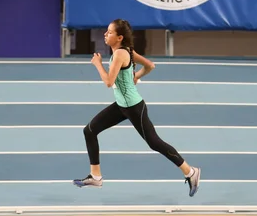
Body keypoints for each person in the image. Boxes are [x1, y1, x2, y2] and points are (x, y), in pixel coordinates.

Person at [73, 19, 201, 197]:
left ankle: (191, 172)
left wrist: (98, 64)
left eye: (109, 32)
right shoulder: (126, 51)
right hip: (121, 105)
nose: (105, 34)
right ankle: (96, 176)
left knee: (154, 142)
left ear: (119, 37)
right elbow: (150, 66)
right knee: (89, 131)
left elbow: (109, 82)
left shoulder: (120, 54)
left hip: (133, 107)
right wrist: (136, 76)